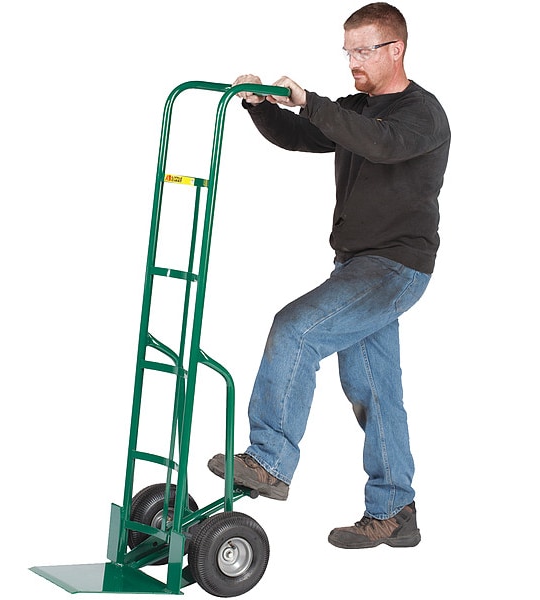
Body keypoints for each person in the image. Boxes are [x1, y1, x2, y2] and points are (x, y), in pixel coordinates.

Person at [208, 2, 450, 549]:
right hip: (356, 267)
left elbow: (379, 143)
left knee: (296, 328)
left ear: (396, 49)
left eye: (364, 50)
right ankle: (395, 509)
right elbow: (302, 135)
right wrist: (259, 106)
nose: (353, 62)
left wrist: (310, 101)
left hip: (394, 267)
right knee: (373, 388)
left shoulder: (422, 114)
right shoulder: (356, 109)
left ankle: (270, 460)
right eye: (348, 52)